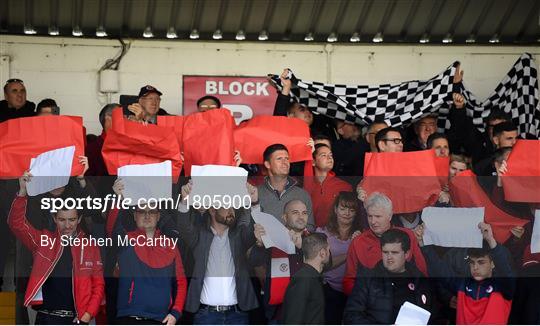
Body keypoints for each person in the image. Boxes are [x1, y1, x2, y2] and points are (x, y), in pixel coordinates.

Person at [8, 171, 104, 324]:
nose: (67, 225)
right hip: (46, 318)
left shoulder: (90, 246)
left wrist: (87, 315)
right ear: (54, 219)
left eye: (72, 219)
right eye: (62, 220)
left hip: (76, 319)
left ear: (79, 219)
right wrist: (22, 193)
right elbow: (17, 224)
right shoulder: (43, 240)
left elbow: (98, 286)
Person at [177, 181, 259, 325]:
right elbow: (183, 227)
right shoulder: (200, 236)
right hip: (206, 316)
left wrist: (254, 202)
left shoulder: (239, 236)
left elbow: (255, 228)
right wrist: (184, 201)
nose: (231, 211)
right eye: (227, 206)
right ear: (213, 210)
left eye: (233, 206)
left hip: (237, 315)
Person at [109, 179, 187, 324]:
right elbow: (111, 227)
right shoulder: (126, 239)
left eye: (152, 211)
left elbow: (181, 282)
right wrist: (118, 199)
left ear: (158, 216)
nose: (147, 215)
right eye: (141, 211)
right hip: (129, 317)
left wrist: (176, 313)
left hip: (161, 319)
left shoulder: (170, 244)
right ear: (134, 215)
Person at [418, 222, 516, 324]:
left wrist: (491, 240)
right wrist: (423, 243)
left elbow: (505, 270)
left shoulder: (504, 287)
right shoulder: (462, 285)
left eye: (481, 262)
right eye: (472, 262)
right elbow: (439, 269)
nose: (475, 267)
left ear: (493, 264)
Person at [343, 229, 436, 324]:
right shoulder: (367, 279)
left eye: (394, 252)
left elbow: (433, 316)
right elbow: (351, 316)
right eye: (385, 252)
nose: (389, 257)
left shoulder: (420, 280)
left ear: (407, 254)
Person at [342, 192, 427, 295]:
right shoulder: (358, 242)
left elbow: (422, 271)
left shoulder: (407, 235)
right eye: (370, 216)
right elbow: (348, 281)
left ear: (390, 216)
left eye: (378, 216)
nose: (373, 221)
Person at [251, 199, 310, 323]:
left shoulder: (315, 239)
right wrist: (259, 243)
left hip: (308, 313)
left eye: (304, 213)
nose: (301, 216)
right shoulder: (272, 238)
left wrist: (302, 246)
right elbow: (254, 261)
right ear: (284, 217)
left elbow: (327, 263)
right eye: (295, 212)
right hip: (278, 314)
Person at [316, 192, 363, 324]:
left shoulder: (361, 235)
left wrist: (359, 244)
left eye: (351, 210)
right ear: (335, 210)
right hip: (328, 290)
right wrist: (351, 251)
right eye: (343, 208)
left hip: (355, 292)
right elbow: (322, 265)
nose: (347, 213)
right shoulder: (322, 233)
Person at [257, 144, 315, 229]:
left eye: (287, 158)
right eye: (279, 159)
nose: (285, 162)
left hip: (296, 243)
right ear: (267, 164)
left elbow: (310, 227)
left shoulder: (303, 195)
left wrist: (300, 234)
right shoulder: (255, 194)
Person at [282, 233, 330, 325]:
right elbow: (293, 320)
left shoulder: (310, 277)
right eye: (329, 250)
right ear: (322, 253)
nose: (330, 253)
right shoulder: (303, 280)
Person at [304, 144, 352, 227]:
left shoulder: (344, 187)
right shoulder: (306, 186)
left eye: (331, 155)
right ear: (313, 162)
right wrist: (308, 155)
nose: (329, 158)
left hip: (335, 236)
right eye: (323, 155)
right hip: (311, 235)